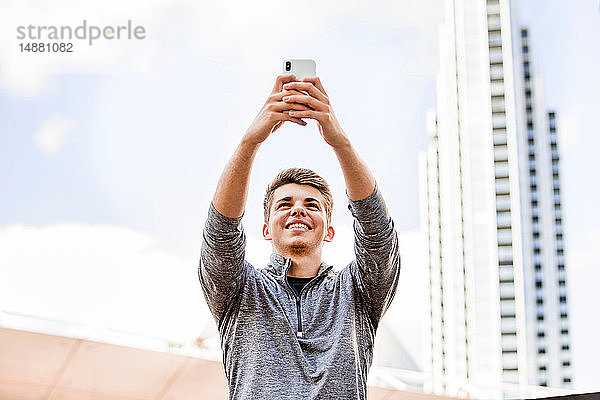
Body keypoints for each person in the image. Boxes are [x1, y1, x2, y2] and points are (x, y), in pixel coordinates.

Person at [199, 74, 400, 399]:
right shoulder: (240, 290)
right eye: (284, 204)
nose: (298, 210)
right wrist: (250, 142)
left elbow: (378, 235)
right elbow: (220, 237)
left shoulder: (358, 292)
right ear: (266, 229)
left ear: (329, 230)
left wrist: (340, 142)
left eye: (311, 205)